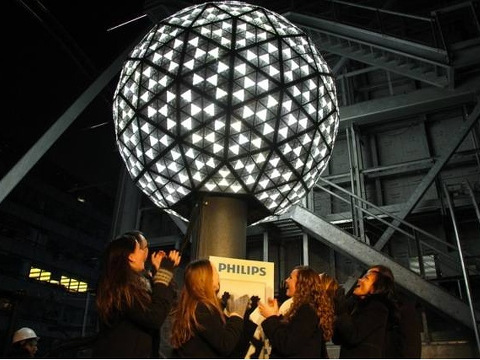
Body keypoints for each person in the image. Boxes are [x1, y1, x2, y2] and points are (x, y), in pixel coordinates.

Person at [93, 232, 181, 358]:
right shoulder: (120, 288)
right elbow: (154, 316)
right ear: (131, 257)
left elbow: (168, 302)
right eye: (141, 249)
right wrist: (164, 272)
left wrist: (160, 272)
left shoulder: (135, 283)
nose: (146, 253)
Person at [170, 259, 249, 358]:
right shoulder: (202, 309)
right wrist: (236, 315)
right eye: (215, 271)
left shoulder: (194, 307)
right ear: (206, 278)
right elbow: (225, 344)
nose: (218, 276)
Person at [258, 266, 335, 358]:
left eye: (290, 278)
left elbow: (287, 345)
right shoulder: (306, 309)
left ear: (301, 284)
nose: (286, 280)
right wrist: (276, 316)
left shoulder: (307, 311)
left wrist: (271, 318)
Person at [332, 264, 399, 358]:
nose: (359, 280)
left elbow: (353, 335)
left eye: (366, 278)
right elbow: (337, 339)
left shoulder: (377, 308)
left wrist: (342, 310)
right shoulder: (355, 307)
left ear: (378, 286)